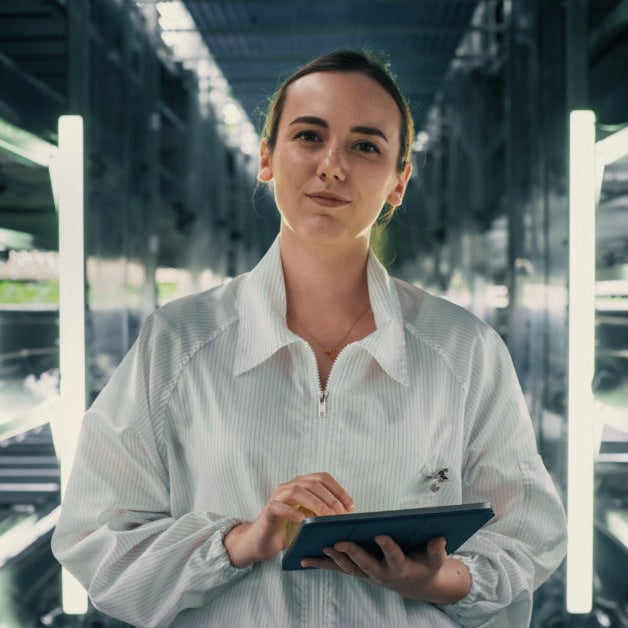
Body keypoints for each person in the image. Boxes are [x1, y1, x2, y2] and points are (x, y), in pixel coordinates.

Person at [52, 50, 567, 627]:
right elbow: (97, 542)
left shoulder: (463, 351)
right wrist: (242, 542)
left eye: (366, 146)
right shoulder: (177, 342)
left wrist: (440, 579)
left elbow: (530, 536)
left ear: (399, 181)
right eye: (309, 135)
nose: (332, 165)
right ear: (268, 158)